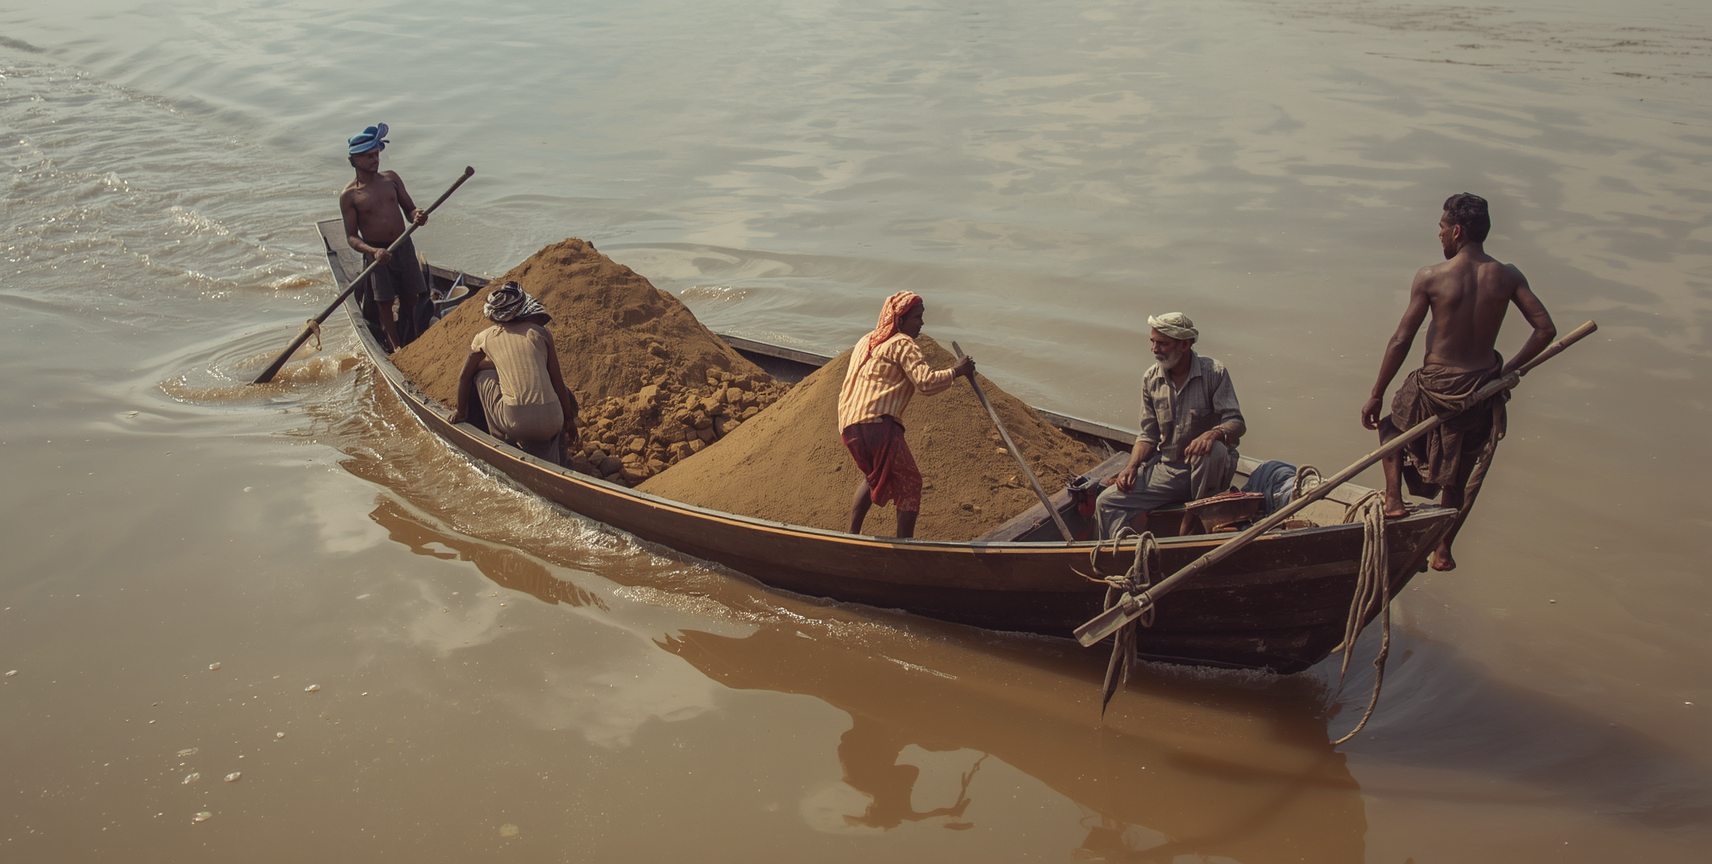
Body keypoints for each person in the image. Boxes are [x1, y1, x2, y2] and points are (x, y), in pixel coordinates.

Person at [1361, 193, 1555, 571]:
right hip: (1480, 390)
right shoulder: (1508, 275)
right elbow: (1545, 329)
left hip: (1434, 385)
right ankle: (1443, 549)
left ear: (1458, 231)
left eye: (1442, 228)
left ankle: (1393, 500)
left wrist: (1376, 394)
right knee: (1460, 476)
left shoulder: (1432, 276)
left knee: (1388, 428)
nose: (1440, 236)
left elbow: (1402, 339)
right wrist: (1506, 372)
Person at [837, 291, 975, 538]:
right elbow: (926, 383)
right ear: (900, 319)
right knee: (911, 483)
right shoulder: (903, 343)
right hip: (878, 425)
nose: (922, 323)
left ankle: (851, 535)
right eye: (917, 317)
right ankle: (905, 545)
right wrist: (958, 371)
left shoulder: (865, 341)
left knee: (874, 476)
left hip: (849, 427)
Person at [1095, 312, 1245, 540]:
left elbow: (1236, 422)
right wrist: (1131, 467)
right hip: (1170, 471)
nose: (1154, 349)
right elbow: (1148, 436)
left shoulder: (1214, 373)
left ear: (1184, 344)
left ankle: (1197, 518)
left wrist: (1213, 434)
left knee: (1213, 450)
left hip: (1209, 475)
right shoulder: (1150, 379)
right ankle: (1131, 554)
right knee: (1106, 502)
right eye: (1153, 342)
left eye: (1162, 343)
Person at [449, 282, 580, 466]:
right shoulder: (540, 333)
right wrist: (569, 422)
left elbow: (464, 376)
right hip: (554, 420)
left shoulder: (484, 337)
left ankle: (501, 440)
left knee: (481, 377)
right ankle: (555, 457)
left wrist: (461, 413)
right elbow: (557, 382)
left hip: (517, 423)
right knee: (546, 383)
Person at [339, 122, 428, 352]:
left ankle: (417, 336)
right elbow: (351, 237)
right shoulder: (350, 195)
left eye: (376, 154)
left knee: (412, 295)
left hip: (403, 244)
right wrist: (373, 252)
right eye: (368, 156)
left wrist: (417, 215)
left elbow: (409, 210)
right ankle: (395, 346)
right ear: (355, 160)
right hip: (377, 253)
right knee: (384, 301)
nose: (374, 160)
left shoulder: (391, 179)